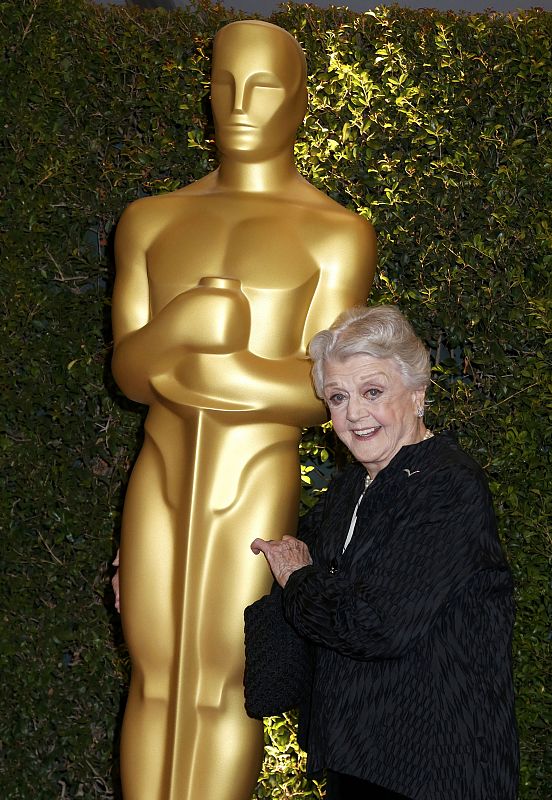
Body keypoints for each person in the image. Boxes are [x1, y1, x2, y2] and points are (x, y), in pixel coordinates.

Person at [111, 19, 376, 800]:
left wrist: (214, 367)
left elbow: (321, 392)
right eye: (224, 83)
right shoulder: (152, 220)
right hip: (160, 467)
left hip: (254, 472)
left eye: (262, 86)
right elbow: (129, 370)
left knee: (224, 680)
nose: (239, 103)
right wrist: (177, 332)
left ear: (298, 102)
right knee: (155, 673)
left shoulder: (335, 235)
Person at [251, 304, 519, 800]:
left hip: (437, 774)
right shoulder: (353, 487)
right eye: (337, 397)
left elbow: (375, 625)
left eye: (372, 391)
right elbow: (277, 552)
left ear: (417, 395)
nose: (353, 412)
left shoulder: (446, 485)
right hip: (362, 763)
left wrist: (299, 580)